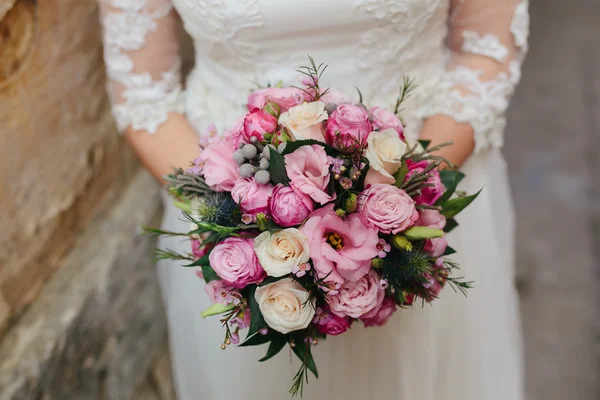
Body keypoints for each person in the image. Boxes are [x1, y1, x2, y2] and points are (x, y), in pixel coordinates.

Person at [97, 1, 529, 398]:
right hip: (232, 225)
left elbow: (484, 53)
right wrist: (236, 221)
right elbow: (144, 96)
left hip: (420, 205)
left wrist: (396, 198)